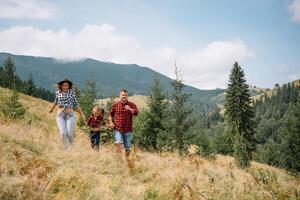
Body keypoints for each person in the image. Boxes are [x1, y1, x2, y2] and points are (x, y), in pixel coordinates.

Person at [49, 78, 85, 149]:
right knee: (62, 133)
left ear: (69, 86)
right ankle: (66, 148)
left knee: (69, 134)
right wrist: (51, 109)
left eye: (66, 85)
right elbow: (56, 102)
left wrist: (82, 114)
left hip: (70, 115)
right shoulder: (57, 92)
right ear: (61, 86)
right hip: (60, 115)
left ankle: (72, 147)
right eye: (63, 85)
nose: (65, 87)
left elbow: (76, 104)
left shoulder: (72, 93)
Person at [108, 89, 139, 157]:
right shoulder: (115, 105)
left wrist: (130, 109)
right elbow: (110, 114)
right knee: (118, 143)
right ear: (120, 96)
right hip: (118, 128)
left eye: (126, 95)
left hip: (128, 130)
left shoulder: (131, 104)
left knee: (127, 147)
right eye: (123, 95)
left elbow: (137, 113)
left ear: (127, 96)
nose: (124, 96)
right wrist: (110, 122)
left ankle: (127, 160)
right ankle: (119, 161)